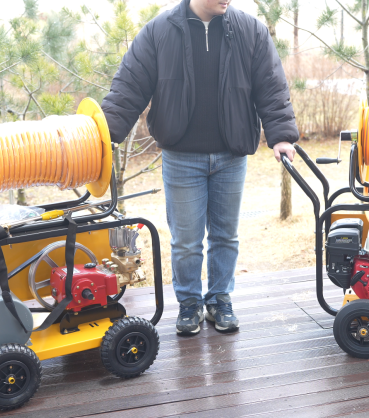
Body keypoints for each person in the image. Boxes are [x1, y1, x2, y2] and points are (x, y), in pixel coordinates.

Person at [101, 0, 298, 336]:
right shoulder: (159, 31)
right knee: (186, 241)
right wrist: (105, 135)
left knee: (225, 236)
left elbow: (271, 85)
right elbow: (129, 87)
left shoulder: (251, 31)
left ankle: (220, 299)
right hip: (181, 156)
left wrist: (281, 135)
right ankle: (189, 303)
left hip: (231, 154)